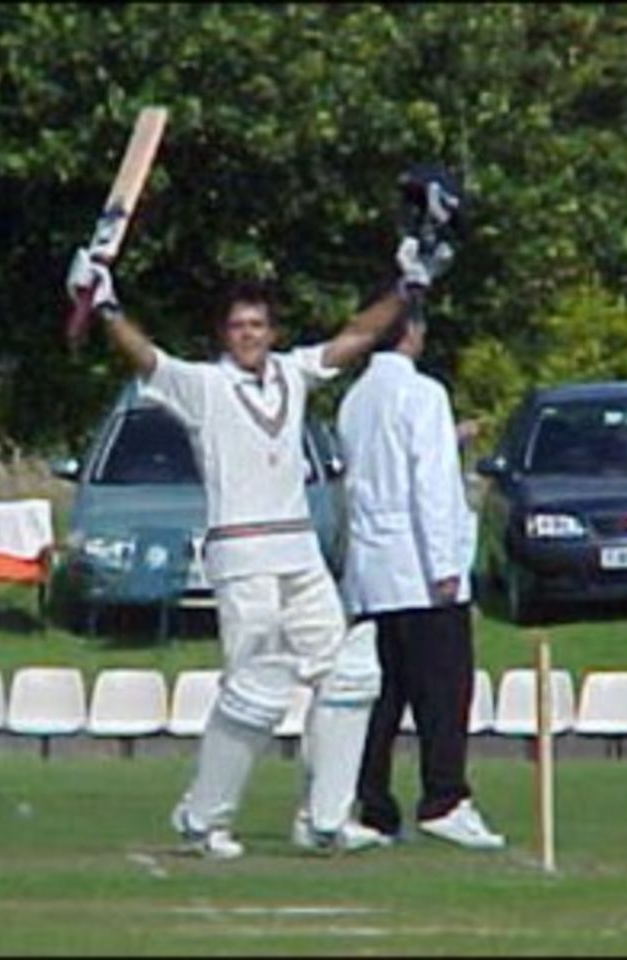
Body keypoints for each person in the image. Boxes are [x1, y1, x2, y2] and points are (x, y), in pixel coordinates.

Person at [64, 224, 455, 859]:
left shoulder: (293, 374)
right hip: (242, 555)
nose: (249, 335)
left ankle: (325, 818)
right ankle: (202, 818)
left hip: (299, 552)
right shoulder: (202, 385)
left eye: (258, 325)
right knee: (255, 689)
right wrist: (105, 303)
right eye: (238, 326)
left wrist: (408, 286)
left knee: (351, 675)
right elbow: (146, 358)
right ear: (225, 334)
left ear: (271, 331)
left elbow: (355, 337)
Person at [337, 303, 506, 850]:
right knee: (442, 691)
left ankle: (373, 804)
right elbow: (430, 487)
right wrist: (445, 569)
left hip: (372, 572)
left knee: (383, 697)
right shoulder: (423, 393)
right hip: (419, 572)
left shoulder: (355, 399)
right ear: (410, 332)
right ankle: (445, 798)